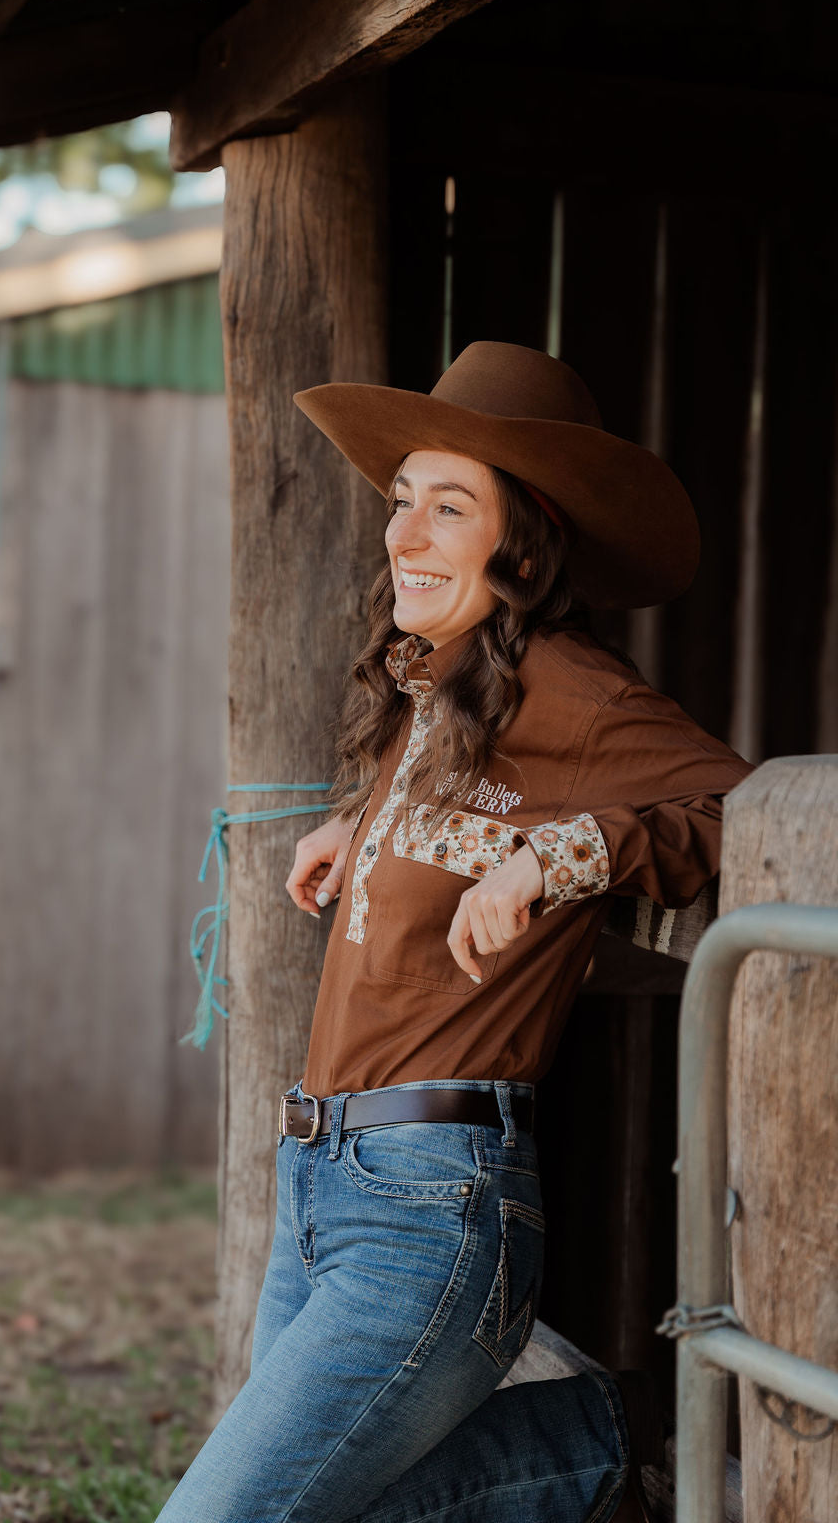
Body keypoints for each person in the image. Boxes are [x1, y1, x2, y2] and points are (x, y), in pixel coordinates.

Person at [155, 341, 755, 1523]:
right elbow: (467, 807)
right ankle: (616, 1433)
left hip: (431, 1205)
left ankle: (606, 1430)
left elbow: (752, 805)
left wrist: (564, 856)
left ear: (520, 543)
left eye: (449, 506)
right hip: (317, 1178)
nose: (405, 535)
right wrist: (356, 820)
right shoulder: (441, 690)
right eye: (400, 502)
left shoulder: (576, 691)